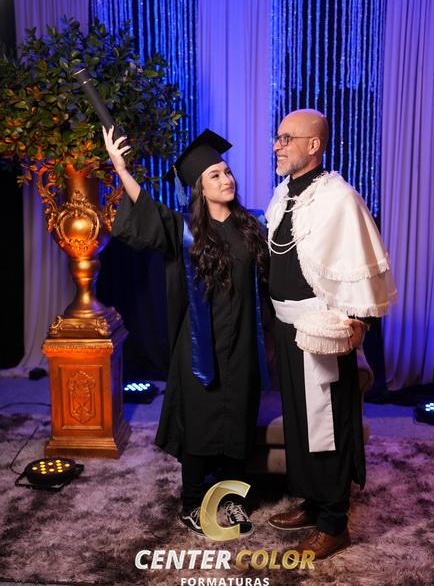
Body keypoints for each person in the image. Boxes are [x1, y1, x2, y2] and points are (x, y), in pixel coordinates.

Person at [103, 126, 269, 537]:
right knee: (199, 424)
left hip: (242, 343)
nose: (226, 179)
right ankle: (193, 503)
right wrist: (121, 169)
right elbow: (146, 209)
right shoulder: (184, 231)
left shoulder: (253, 227)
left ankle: (231, 500)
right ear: (199, 187)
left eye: (227, 172)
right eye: (215, 175)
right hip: (198, 347)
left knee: (238, 424)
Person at [266, 109, 396, 558]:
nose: (277, 145)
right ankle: (313, 500)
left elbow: (361, 264)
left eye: (287, 138)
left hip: (323, 330)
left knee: (329, 425)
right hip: (287, 327)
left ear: (314, 145)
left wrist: (359, 323)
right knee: (301, 422)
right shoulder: (284, 193)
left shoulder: (339, 198)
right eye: (277, 137)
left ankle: (334, 522)